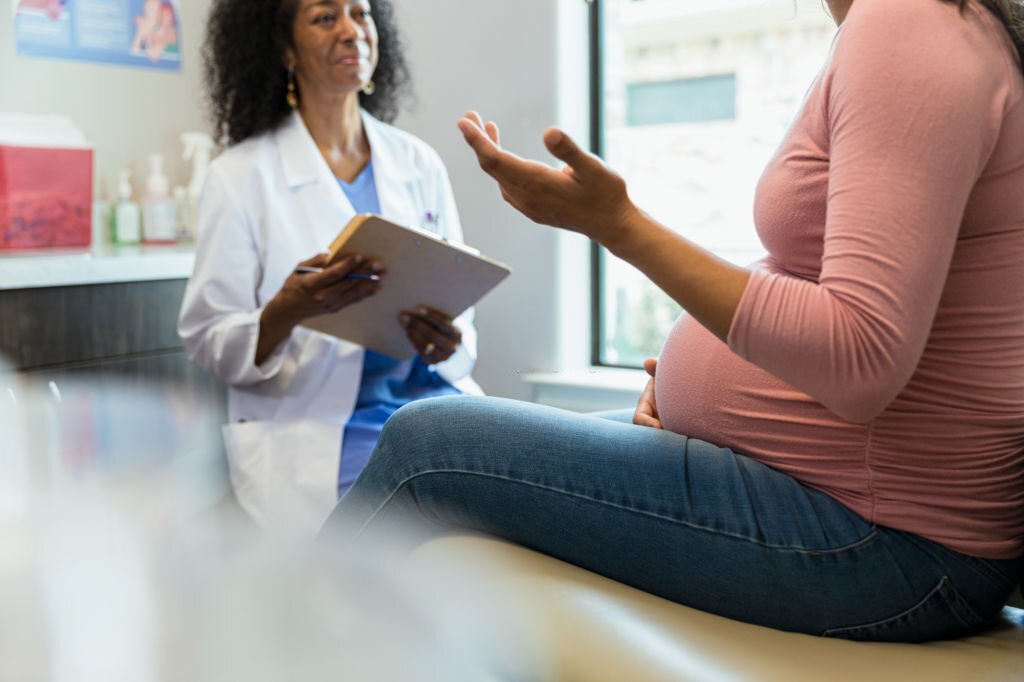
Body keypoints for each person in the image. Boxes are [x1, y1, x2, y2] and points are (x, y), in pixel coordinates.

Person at [322, 0, 1024, 642]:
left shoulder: (911, 24)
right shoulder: (909, 27)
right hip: (859, 510)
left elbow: (862, 357)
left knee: (428, 445)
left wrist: (617, 227)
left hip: (881, 544)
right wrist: (712, 392)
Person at [179, 0, 480, 533]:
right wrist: (285, 312)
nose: (351, 31)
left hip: (432, 408)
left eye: (360, 14)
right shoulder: (240, 177)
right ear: (283, 49)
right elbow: (209, 337)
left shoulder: (418, 163)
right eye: (325, 18)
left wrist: (448, 341)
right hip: (326, 431)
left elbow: (462, 309)